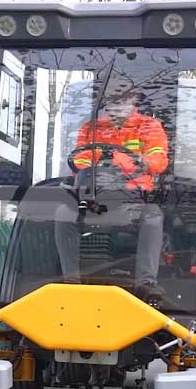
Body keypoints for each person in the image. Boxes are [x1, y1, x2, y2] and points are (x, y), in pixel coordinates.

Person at [54, 79, 169, 301]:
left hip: (135, 200)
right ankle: (71, 281)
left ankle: (147, 283)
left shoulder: (149, 126)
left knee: (153, 217)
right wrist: (100, 164)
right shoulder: (92, 128)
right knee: (63, 213)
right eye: (112, 100)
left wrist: (121, 160)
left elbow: (158, 160)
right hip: (95, 200)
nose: (116, 104)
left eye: (122, 99)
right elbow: (79, 159)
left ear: (133, 99)